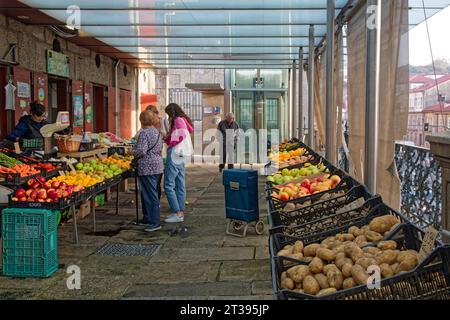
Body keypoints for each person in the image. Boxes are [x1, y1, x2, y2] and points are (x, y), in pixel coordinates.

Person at [133, 110, 164, 232]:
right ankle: (148, 218)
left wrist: (131, 152)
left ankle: (155, 222)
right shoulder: (157, 132)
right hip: (157, 166)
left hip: (147, 167)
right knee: (152, 193)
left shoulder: (144, 133)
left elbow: (141, 151)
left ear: (142, 121)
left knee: (150, 196)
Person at [163, 103, 193, 223]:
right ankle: (180, 212)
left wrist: (171, 144)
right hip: (180, 155)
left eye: (168, 114)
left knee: (169, 185)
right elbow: (185, 132)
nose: (168, 117)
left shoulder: (178, 120)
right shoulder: (184, 120)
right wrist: (167, 138)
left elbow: (181, 135)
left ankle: (177, 213)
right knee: (180, 184)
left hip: (175, 154)